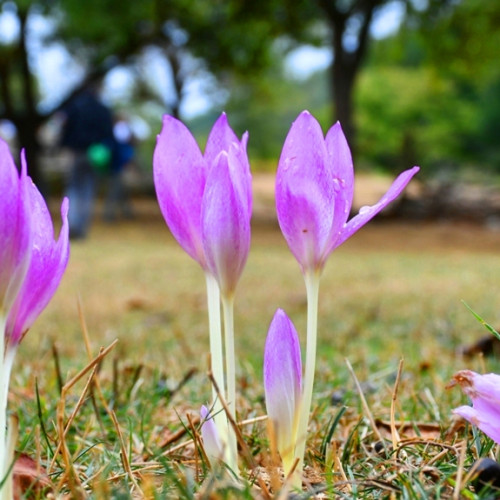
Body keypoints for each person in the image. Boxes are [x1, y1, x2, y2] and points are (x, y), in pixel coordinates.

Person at [60, 82, 115, 239]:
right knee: (88, 189)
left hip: (76, 152)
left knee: (73, 187)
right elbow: (109, 135)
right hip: (95, 154)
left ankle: (71, 225)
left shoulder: (75, 107)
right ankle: (81, 228)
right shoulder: (103, 109)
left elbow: (65, 126)